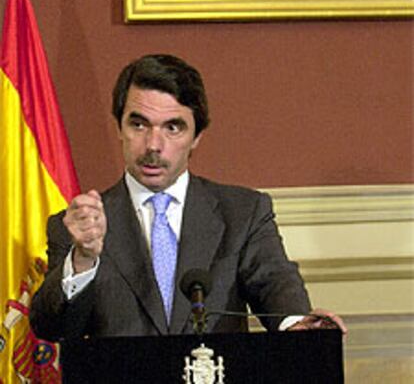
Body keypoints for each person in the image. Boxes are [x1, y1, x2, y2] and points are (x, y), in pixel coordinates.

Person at [30, 54, 346, 340]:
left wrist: (295, 324)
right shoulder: (78, 227)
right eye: (139, 124)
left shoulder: (243, 212)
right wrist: (83, 259)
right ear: (119, 127)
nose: (153, 145)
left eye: (173, 128)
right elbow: (52, 329)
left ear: (196, 137)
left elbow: (274, 281)